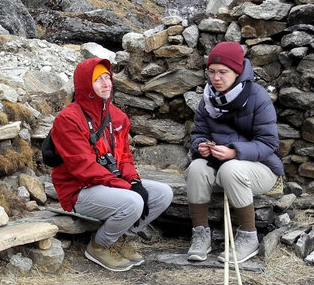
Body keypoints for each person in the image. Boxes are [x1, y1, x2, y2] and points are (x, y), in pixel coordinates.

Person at [50, 57, 174, 271]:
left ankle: (121, 238)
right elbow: (84, 168)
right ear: (86, 84)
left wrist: (135, 182)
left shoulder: (117, 117)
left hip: (109, 183)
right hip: (78, 190)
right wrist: (128, 189)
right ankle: (100, 245)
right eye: (99, 79)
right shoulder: (68, 119)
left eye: (108, 77)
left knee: (163, 193)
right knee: (133, 202)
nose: (106, 83)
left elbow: (124, 157)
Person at [185, 41, 284, 264]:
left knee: (231, 168)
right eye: (211, 72)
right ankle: (200, 234)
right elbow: (198, 133)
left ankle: (248, 237)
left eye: (223, 72)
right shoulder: (208, 98)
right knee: (196, 168)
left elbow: (269, 144)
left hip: (261, 170)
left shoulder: (257, 97)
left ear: (237, 71)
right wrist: (200, 145)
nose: (216, 78)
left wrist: (234, 152)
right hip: (221, 167)